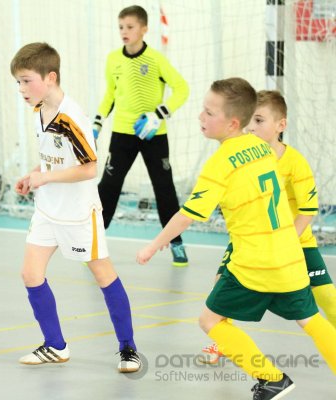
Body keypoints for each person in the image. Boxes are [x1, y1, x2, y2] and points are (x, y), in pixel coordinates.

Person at [136, 78, 336, 399]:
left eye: (209, 112)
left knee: (210, 319)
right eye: (202, 109)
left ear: (231, 123)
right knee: (310, 319)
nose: (200, 117)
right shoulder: (264, 148)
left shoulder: (219, 164)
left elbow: (189, 214)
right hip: (289, 256)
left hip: (254, 262)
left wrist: (154, 244)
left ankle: (271, 378)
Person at [10, 42, 140, 372]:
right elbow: (52, 159)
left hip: (79, 213)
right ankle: (55, 345)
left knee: (103, 275)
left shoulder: (72, 118)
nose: (22, 89)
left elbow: (88, 168)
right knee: (30, 274)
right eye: (18, 83)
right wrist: (34, 175)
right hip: (47, 210)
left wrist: (46, 178)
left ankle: (128, 349)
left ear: (50, 77)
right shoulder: (39, 110)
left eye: (27, 81)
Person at [199, 90, 336, 365]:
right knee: (219, 287)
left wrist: (285, 242)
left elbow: (308, 211)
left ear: (280, 126)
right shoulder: (246, 156)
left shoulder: (295, 162)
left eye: (259, 120)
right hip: (252, 243)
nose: (252, 126)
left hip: (296, 243)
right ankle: (223, 342)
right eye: (250, 120)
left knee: (326, 297)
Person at [93, 5, 190, 266]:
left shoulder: (156, 59)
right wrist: (97, 123)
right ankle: (94, 242)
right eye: (121, 27)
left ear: (144, 29)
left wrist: (159, 114)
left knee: (164, 187)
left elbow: (181, 89)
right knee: (109, 186)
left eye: (130, 27)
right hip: (123, 133)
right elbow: (110, 95)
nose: (124, 32)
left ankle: (177, 243)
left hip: (153, 134)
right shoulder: (113, 59)